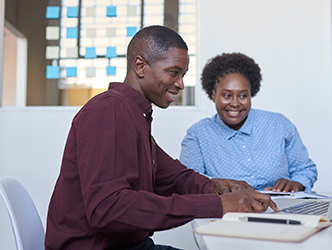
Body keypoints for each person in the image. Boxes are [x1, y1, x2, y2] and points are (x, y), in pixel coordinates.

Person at [45, 27, 278, 250]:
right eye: (173, 72)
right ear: (140, 66)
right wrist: (219, 205)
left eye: (183, 75)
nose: (180, 84)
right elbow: (108, 208)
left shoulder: (133, 114)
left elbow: (175, 178)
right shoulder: (110, 109)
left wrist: (217, 188)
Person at [180, 52, 317, 193]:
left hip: (279, 208)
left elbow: (305, 169)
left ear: (251, 95)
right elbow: (190, 182)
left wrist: (295, 184)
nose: (235, 103)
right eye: (227, 95)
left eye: (243, 96)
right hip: (226, 211)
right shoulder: (197, 135)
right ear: (214, 95)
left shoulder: (279, 125)